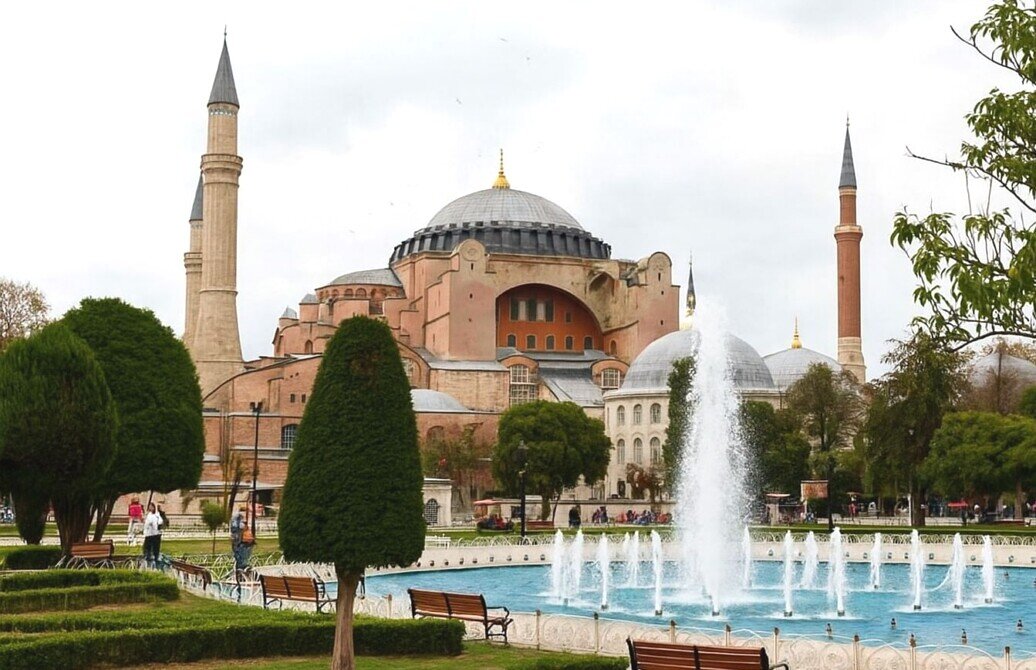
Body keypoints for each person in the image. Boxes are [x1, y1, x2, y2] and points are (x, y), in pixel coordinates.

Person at [230, 505, 254, 578]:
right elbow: (238, 527)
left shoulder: (239, 518)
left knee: (242, 560)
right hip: (240, 543)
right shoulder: (237, 518)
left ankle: (241, 574)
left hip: (242, 542)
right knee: (241, 560)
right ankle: (241, 575)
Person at [142, 502, 163, 568]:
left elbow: (160, 522)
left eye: (152, 507)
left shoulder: (157, 515)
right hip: (149, 534)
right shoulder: (149, 515)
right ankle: (147, 558)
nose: (150, 508)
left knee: (155, 548)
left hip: (156, 534)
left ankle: (156, 559)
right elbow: (146, 524)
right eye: (150, 507)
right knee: (147, 547)